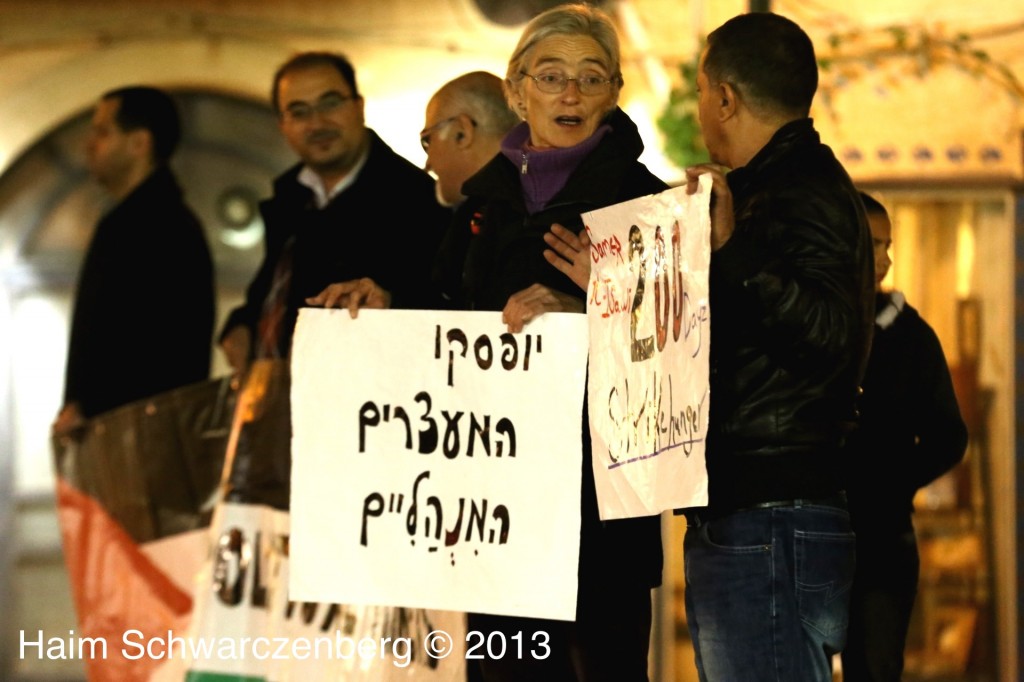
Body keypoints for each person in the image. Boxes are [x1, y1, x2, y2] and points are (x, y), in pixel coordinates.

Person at [450, 5, 665, 680]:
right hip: (494, 509)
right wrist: (383, 304)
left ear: (614, 93)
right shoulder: (478, 206)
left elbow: (685, 350)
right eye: (550, 76)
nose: (569, 94)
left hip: (600, 521)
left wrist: (588, 309)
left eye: (589, 77)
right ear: (517, 90)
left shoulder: (647, 206)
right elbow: (441, 325)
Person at [677, 13, 874, 682]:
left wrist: (734, 249)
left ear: (725, 98)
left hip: (771, 516)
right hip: (754, 513)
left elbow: (830, 335)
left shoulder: (803, 191)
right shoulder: (765, 189)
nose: (701, 109)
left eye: (701, 92)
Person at [218, 51, 450, 368]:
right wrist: (244, 324)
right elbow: (275, 288)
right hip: (278, 396)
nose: (317, 123)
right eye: (299, 112)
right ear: (283, 125)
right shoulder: (290, 197)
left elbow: (442, 310)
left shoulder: (416, 199)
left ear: (359, 107)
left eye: (330, 103)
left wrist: (392, 301)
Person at [840, 192, 968, 682]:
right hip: (808, 530)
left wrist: (891, 483)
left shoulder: (910, 336)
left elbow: (948, 435)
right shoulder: (812, 322)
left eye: (888, 245)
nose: (885, 259)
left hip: (880, 539)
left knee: (874, 665)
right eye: (873, 245)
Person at [53, 86, 215, 437]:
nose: (89, 144)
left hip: (134, 435)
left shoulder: (163, 227)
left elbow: (153, 347)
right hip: (126, 432)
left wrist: (86, 405)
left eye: (102, 132)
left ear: (139, 143)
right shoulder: (135, 219)